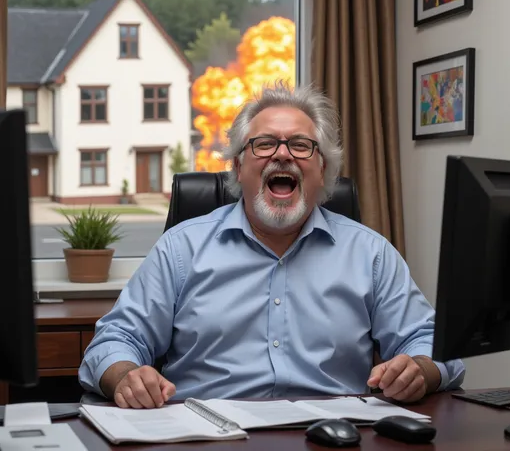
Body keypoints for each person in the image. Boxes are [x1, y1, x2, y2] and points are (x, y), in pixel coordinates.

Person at [78, 82, 465, 409]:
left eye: (301, 145)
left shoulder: (371, 255)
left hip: (333, 437)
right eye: (264, 144)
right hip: (209, 437)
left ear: (323, 170)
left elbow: (434, 344)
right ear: (237, 167)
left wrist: (420, 370)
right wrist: (127, 377)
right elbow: (115, 340)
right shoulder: (180, 250)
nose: (282, 154)